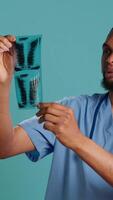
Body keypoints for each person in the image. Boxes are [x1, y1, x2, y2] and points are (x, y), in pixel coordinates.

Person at [0, 29, 113, 200]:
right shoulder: (73, 110)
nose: (110, 60)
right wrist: (2, 85)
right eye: (107, 51)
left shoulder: (70, 124)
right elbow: (4, 147)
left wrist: (77, 140)